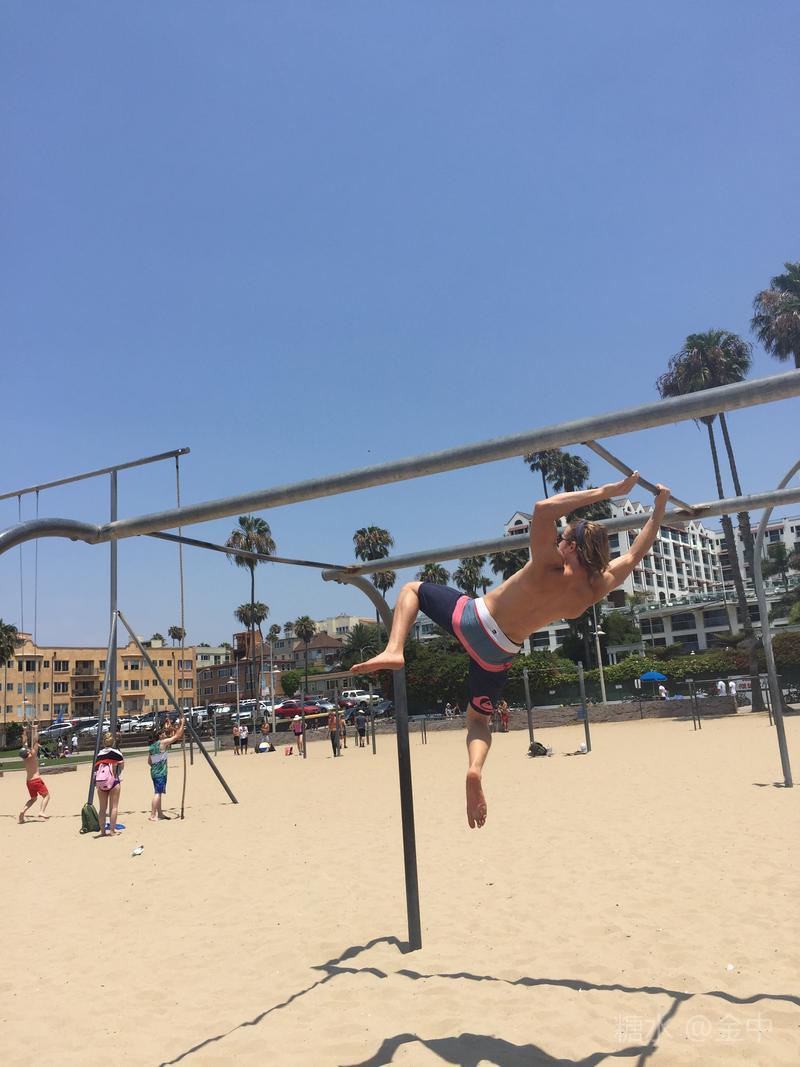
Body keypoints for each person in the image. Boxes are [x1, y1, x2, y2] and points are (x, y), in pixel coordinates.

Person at [354, 472, 670, 829]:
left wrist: (610, 491)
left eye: (562, 537)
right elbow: (637, 551)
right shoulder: (594, 589)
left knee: (412, 589)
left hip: (474, 620)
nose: (558, 540)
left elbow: (543, 508)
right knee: (478, 720)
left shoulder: (547, 565)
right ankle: (474, 768)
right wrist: (659, 507)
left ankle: (395, 648)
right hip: (498, 654)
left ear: (570, 546)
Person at [147, 715, 185, 821]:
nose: (165, 735)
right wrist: (182, 723)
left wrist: (158, 763)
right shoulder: (162, 743)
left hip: (154, 772)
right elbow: (177, 736)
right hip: (160, 773)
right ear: (160, 736)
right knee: (158, 793)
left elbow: (149, 762)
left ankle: (160, 813)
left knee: (158, 792)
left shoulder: (152, 746)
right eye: (163, 734)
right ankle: (152, 815)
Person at [18, 721, 50, 823]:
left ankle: (23, 811)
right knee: (46, 796)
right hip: (36, 780)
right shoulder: (33, 755)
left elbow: (24, 743)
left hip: (29, 781)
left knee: (33, 798)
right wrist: (35, 729)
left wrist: (24, 730)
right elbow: (36, 741)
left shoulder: (25, 758)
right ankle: (41, 811)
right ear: (27, 752)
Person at [94, 732, 124, 837]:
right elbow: (122, 767)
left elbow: (96, 769)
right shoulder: (117, 753)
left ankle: (103, 831)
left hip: (101, 782)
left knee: (102, 809)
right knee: (114, 807)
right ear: (113, 742)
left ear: (103, 742)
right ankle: (112, 831)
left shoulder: (99, 754)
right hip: (114, 780)